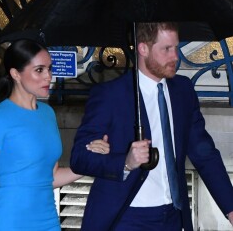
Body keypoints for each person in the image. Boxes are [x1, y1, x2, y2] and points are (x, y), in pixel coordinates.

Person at [70, 22, 233, 231]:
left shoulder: (182, 90)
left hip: (173, 216)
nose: (175, 56)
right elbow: (79, 158)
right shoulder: (110, 95)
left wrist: (230, 207)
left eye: (176, 47)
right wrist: (125, 163)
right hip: (126, 216)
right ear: (143, 48)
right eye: (166, 49)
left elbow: (204, 152)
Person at [0, 39, 109, 231]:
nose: (48, 76)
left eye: (49, 68)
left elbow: (51, 177)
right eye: (39, 70)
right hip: (8, 221)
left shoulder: (47, 114)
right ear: (15, 74)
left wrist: (90, 162)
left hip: (47, 220)